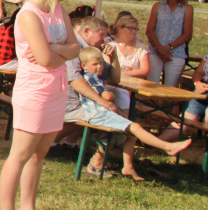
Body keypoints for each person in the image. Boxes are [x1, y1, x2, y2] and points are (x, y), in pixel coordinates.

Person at [0, 0, 76, 210]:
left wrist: (57, 52)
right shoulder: (29, 15)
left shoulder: (59, 11)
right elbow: (44, 58)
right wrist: (58, 52)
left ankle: (28, 207)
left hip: (56, 90)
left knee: (39, 154)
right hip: (34, 91)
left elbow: (75, 48)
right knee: (20, 153)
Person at [75, 46, 191, 180]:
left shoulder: (95, 75)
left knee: (131, 135)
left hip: (103, 113)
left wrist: (114, 59)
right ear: (84, 65)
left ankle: (127, 167)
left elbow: (115, 78)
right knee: (135, 127)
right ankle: (167, 147)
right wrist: (111, 95)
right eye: (95, 64)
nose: (100, 66)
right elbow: (106, 96)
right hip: (97, 114)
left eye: (101, 63)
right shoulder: (91, 77)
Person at [145, 0, 193, 88]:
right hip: (156, 51)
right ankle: (151, 105)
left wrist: (168, 48)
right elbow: (149, 31)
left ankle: (167, 106)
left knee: (170, 88)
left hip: (176, 53)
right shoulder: (157, 6)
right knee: (150, 85)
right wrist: (160, 49)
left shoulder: (187, 9)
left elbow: (187, 34)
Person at [112, 14, 149, 79]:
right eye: (130, 28)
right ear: (120, 29)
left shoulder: (141, 48)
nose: (134, 31)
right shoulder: (111, 46)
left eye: (135, 29)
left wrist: (120, 74)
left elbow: (145, 71)